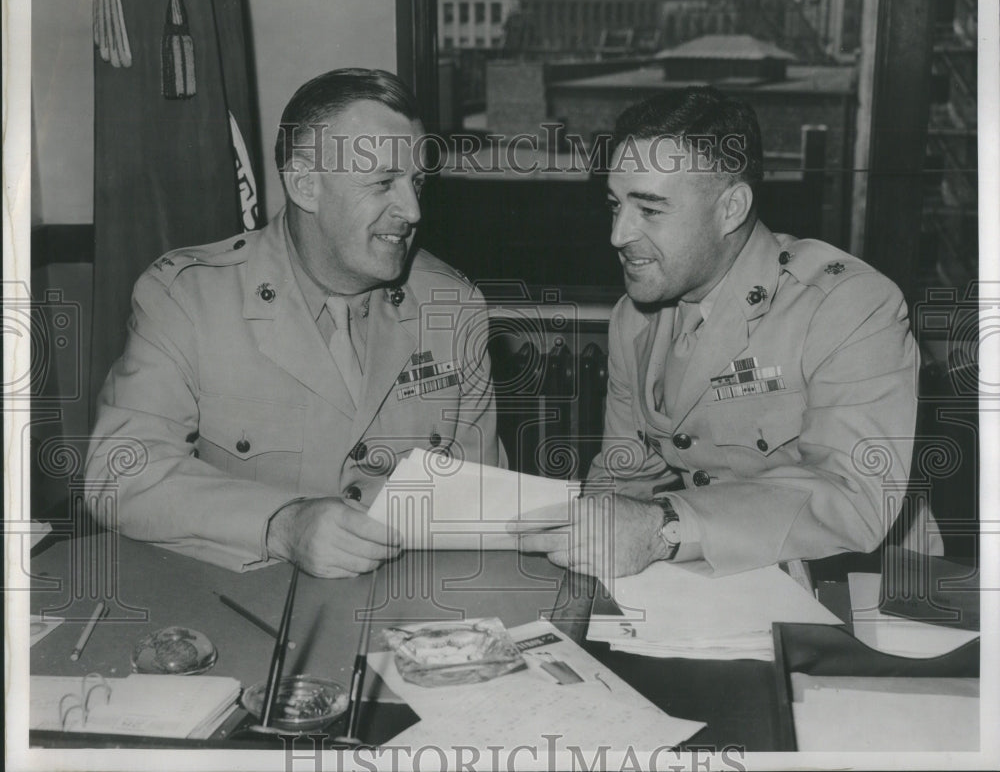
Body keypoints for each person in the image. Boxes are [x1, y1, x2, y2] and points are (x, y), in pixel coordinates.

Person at [85, 68, 505, 577]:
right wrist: (280, 525)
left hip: (406, 610)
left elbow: (481, 500)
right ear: (307, 185)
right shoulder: (188, 299)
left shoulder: (452, 306)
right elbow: (119, 477)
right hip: (242, 613)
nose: (413, 209)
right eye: (383, 182)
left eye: (416, 181)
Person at [512, 86, 936, 578]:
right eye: (615, 205)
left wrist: (661, 528)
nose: (618, 234)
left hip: (868, 585)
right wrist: (581, 537)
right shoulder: (636, 317)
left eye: (649, 209)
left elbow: (852, 497)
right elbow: (625, 477)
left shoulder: (848, 304)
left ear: (731, 208)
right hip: (725, 583)